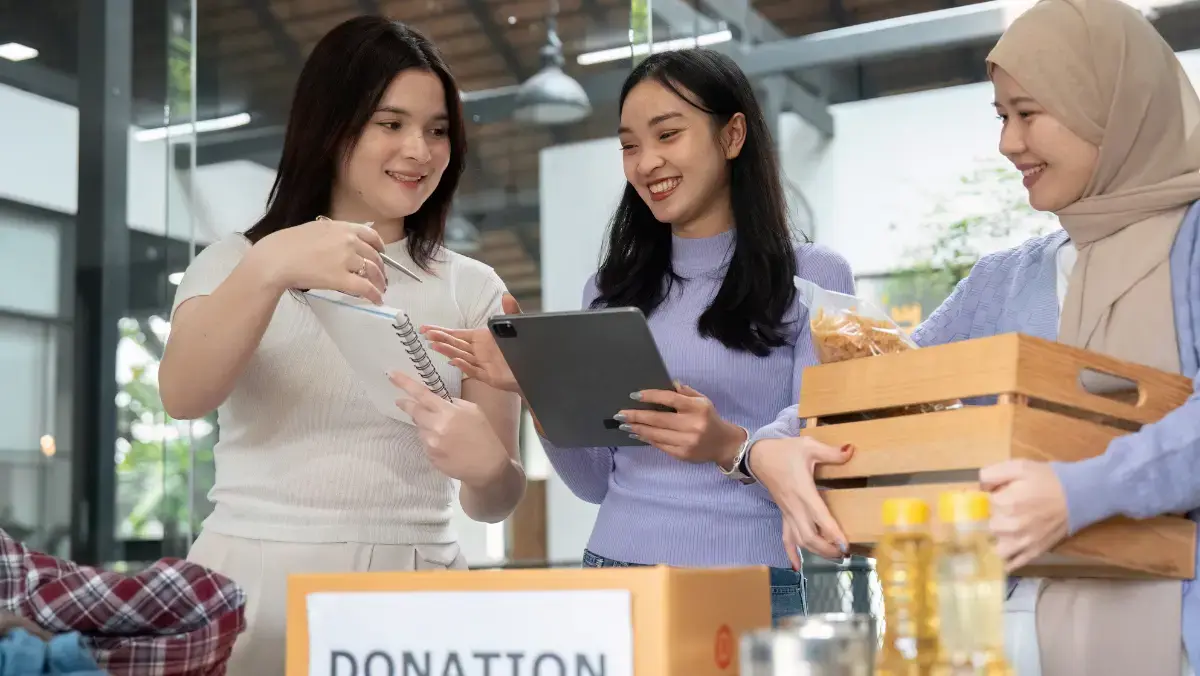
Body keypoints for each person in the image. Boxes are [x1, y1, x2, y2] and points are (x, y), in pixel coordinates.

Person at [763, 0, 1200, 672]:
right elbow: (893, 386)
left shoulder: (1192, 243)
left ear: (1108, 103)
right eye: (1002, 117)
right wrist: (775, 449)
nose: (1008, 143)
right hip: (1009, 638)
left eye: (1029, 113)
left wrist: (1075, 494)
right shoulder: (1006, 281)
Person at [421, 48, 857, 622]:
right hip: (613, 575)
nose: (646, 162)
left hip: (749, 583)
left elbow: (823, 446)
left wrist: (726, 441)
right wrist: (537, 383)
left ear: (732, 135)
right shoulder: (608, 291)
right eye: (629, 145)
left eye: (668, 135)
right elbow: (594, 483)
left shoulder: (815, 276)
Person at [158, 17, 525, 674]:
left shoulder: (475, 289)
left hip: (420, 591)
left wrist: (489, 469)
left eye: (438, 130)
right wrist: (272, 265)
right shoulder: (234, 262)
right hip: (253, 583)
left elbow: (493, 499)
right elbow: (183, 394)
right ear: (331, 125)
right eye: (391, 123)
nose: (420, 149)